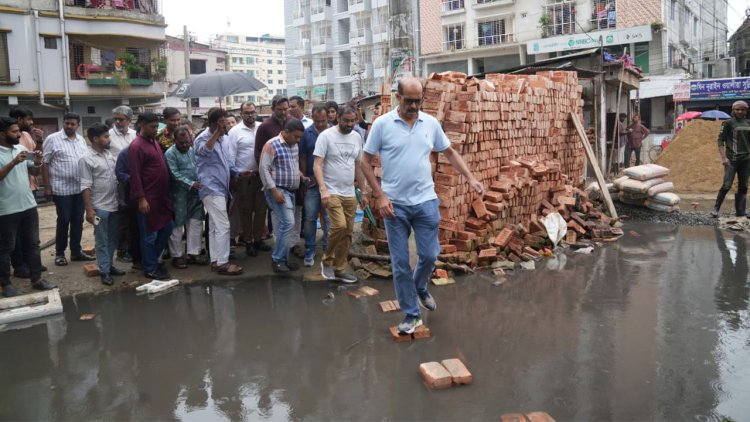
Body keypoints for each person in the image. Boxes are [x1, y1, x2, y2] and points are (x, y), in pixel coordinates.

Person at [360, 77, 485, 334]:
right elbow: (365, 160)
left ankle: (419, 286)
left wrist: (470, 178)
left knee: (429, 255)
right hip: (395, 205)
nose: (414, 106)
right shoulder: (383, 125)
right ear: (398, 98)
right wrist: (379, 195)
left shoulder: (430, 123)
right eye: (409, 101)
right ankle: (411, 313)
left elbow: (449, 152)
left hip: (426, 201)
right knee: (400, 262)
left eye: (418, 101)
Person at [0, 117, 56, 297]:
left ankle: (37, 279)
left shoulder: (21, 148)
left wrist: (38, 161)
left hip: (28, 206)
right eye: (14, 132)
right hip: (6, 210)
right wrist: (13, 163)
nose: (19, 134)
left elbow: (33, 172)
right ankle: (6, 284)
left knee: (33, 244)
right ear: (2, 134)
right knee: (6, 248)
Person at [314, 106, 366, 283]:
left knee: (348, 232)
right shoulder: (326, 136)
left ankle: (340, 269)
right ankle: (327, 261)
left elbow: (358, 166)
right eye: (346, 121)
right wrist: (323, 190)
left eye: (352, 121)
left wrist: (363, 191)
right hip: (331, 190)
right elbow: (317, 165)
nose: (350, 124)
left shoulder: (357, 137)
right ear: (338, 119)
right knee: (339, 226)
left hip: (349, 192)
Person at [42, 112, 95, 266]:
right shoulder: (52, 139)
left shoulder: (80, 140)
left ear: (78, 125)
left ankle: (76, 252)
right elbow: (45, 163)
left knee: (78, 221)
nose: (69, 126)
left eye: (72, 124)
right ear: (63, 123)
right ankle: (59, 254)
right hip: (61, 189)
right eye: (67, 123)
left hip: (79, 189)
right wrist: (47, 186)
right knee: (64, 220)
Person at [195, 108, 243, 275]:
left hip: (222, 187)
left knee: (215, 226)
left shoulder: (224, 139)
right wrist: (215, 134)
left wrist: (239, 173)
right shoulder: (202, 138)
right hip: (210, 187)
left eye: (225, 122)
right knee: (223, 226)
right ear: (213, 124)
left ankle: (216, 260)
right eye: (221, 123)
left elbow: (227, 162)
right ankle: (223, 263)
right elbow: (203, 151)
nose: (225, 127)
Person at [128, 112, 174, 280]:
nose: (156, 130)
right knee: (149, 235)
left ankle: (152, 260)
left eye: (157, 126)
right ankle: (150, 268)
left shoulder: (153, 141)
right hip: (147, 199)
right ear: (142, 125)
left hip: (161, 197)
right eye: (152, 127)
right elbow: (135, 175)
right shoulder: (136, 146)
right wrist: (141, 198)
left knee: (168, 227)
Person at [79, 123, 124, 286]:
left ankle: (110, 266)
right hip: (100, 208)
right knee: (102, 240)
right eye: (106, 136)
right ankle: (104, 271)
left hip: (114, 205)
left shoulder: (109, 155)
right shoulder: (86, 159)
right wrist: (89, 210)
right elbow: (85, 186)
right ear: (95, 139)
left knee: (113, 238)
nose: (109, 138)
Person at [259, 119, 306, 273]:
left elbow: (293, 166)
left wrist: (301, 176)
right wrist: (274, 191)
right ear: (286, 132)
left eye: (300, 137)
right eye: (296, 137)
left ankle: (283, 260)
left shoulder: (294, 145)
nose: (298, 140)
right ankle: (278, 259)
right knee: (288, 223)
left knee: (285, 225)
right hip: (278, 190)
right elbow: (264, 169)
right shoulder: (272, 144)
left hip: (291, 191)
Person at [227, 102, 271, 257]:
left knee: (261, 210)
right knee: (245, 212)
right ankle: (248, 241)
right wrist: (238, 174)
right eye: (246, 113)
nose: (250, 115)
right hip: (244, 178)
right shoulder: (234, 132)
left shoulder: (262, 127)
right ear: (241, 114)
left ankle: (258, 239)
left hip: (262, 176)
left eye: (252, 112)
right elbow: (230, 158)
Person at [8, 106, 45, 278]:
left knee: (30, 233)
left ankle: (32, 264)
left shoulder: (28, 136)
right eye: (28, 119)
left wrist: (39, 143)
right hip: (11, 191)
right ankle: (19, 266)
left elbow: (33, 160)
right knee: (14, 234)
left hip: (29, 187)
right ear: (18, 120)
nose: (31, 122)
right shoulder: (10, 142)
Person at [165, 127, 207, 269]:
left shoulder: (192, 150)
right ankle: (177, 256)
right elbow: (174, 174)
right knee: (177, 226)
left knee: (195, 222)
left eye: (187, 142)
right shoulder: (170, 153)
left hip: (195, 194)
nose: (185, 145)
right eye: (181, 143)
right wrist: (191, 184)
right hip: (178, 194)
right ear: (174, 140)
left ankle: (193, 253)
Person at [299, 104, 331, 266]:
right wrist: (304, 176)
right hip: (311, 182)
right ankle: (310, 249)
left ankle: (328, 248)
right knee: (310, 218)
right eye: (316, 121)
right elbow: (303, 156)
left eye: (323, 121)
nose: (319, 124)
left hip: (330, 181)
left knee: (328, 217)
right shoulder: (307, 133)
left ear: (328, 118)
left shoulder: (334, 132)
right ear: (312, 117)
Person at [711, 100, 750, 218]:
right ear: (733, 110)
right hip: (731, 160)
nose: (740, 111)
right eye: (737, 109)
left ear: (746, 111)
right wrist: (723, 157)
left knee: (743, 186)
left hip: (746, 160)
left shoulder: (748, 123)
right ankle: (716, 209)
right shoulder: (727, 123)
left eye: (743, 109)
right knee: (727, 185)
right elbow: (720, 140)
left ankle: (740, 211)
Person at [115, 144, 142, 269]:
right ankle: (124, 252)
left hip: (147, 193)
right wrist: (135, 180)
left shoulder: (153, 148)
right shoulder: (125, 153)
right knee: (128, 226)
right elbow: (120, 173)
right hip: (129, 195)